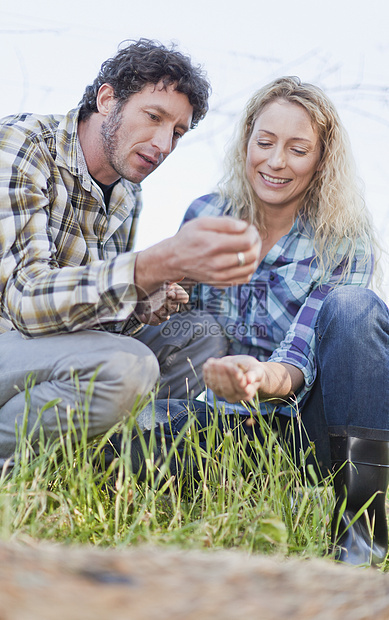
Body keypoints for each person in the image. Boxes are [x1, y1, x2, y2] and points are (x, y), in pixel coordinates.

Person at [112, 76, 389, 567]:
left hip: (308, 428)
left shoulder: (346, 240)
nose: (276, 161)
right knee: (118, 458)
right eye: (265, 142)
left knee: (353, 308)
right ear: (246, 144)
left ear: (321, 160)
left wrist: (259, 378)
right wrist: (164, 298)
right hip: (223, 418)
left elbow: (301, 356)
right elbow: (175, 324)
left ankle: (362, 534)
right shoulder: (207, 214)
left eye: (298, 149)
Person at [0, 38, 262, 484]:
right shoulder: (20, 145)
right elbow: (27, 301)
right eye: (154, 117)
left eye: (179, 133)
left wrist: (144, 302)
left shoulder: (128, 192)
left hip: (51, 352)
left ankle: (109, 466)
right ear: (107, 100)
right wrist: (153, 262)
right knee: (127, 365)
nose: (164, 143)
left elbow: (94, 323)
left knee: (200, 337)